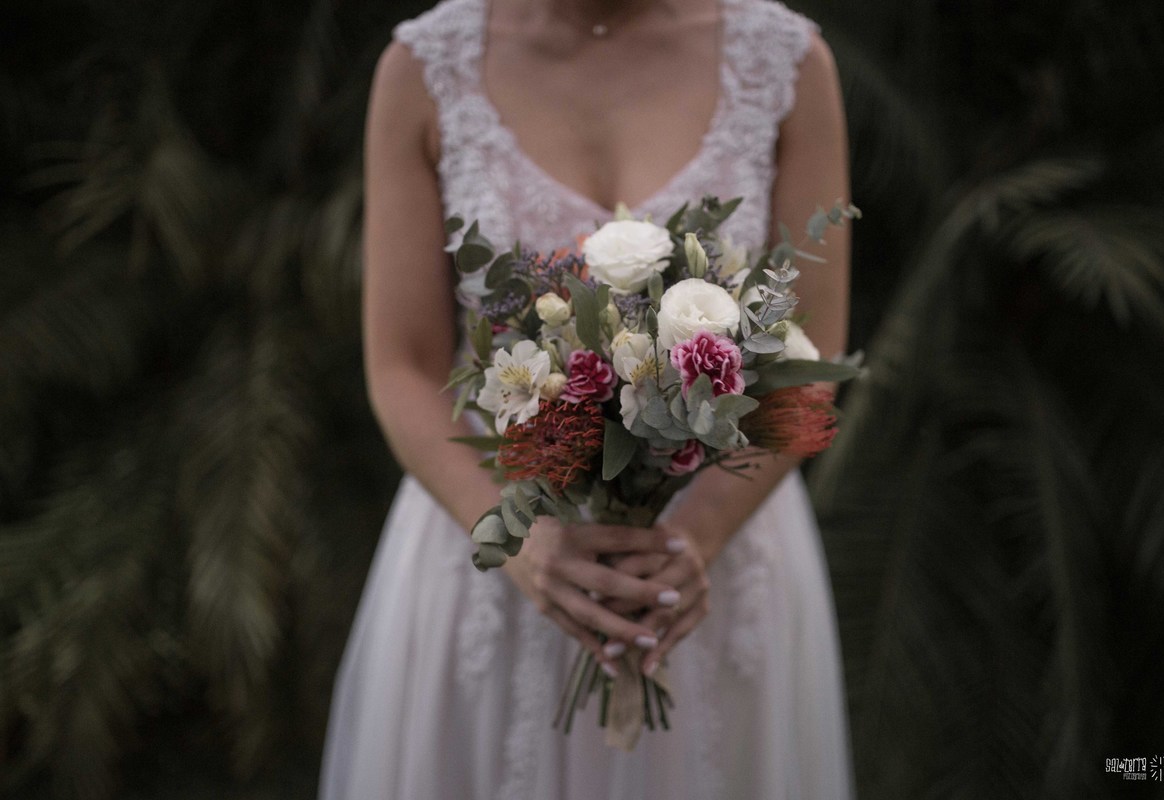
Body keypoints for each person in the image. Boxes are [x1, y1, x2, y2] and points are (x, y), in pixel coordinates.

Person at [320, 0, 855, 796]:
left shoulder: (785, 63)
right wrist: (518, 542)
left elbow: (813, 362)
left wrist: (692, 546)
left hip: (718, 564)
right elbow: (401, 364)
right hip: (491, 554)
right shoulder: (423, 71)